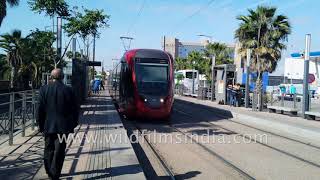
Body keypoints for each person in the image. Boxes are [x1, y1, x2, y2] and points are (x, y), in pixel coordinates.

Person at [37, 68, 79, 180]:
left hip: (47, 125)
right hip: (63, 127)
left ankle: (49, 170)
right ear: (62, 77)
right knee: (60, 150)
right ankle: (55, 174)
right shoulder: (69, 90)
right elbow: (75, 110)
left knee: (48, 148)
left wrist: (40, 125)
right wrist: (73, 124)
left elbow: (40, 109)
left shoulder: (43, 89)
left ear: (51, 77)